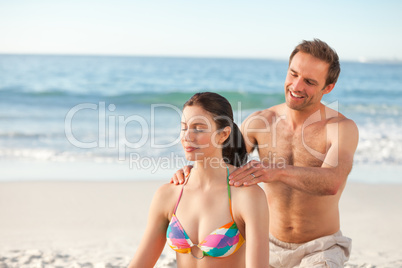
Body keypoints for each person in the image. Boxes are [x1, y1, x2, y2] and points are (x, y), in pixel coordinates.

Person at [171, 39, 359, 267]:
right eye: (293, 74)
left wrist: (276, 172)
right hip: (264, 242)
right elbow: (220, 160)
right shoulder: (261, 121)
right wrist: (191, 171)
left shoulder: (340, 128)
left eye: (309, 82)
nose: (297, 86)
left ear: (328, 87)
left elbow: (333, 182)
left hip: (320, 247)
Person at [128, 92, 269, 268]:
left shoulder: (247, 196)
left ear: (223, 134)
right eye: (184, 127)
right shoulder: (169, 194)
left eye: (198, 128)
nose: (187, 136)